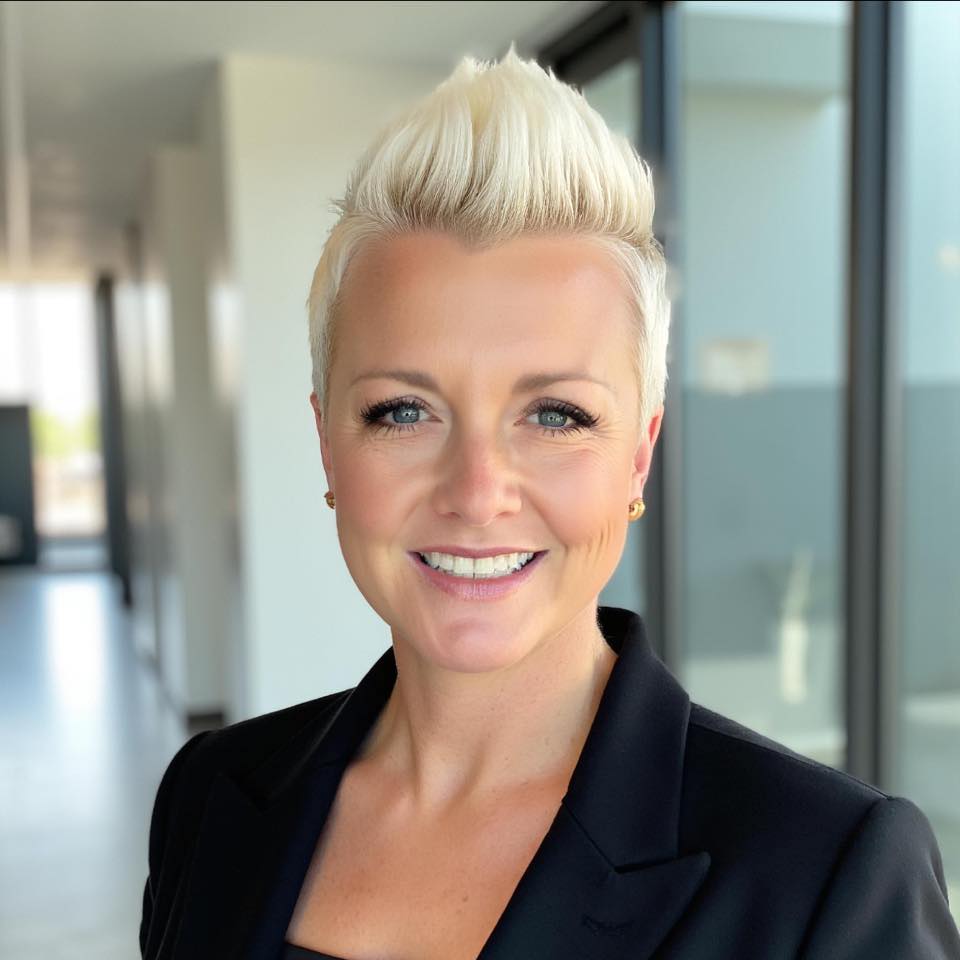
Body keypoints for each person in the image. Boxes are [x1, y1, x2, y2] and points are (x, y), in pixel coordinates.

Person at [139, 44, 960, 960]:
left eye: (556, 415)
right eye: (403, 411)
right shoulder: (206, 798)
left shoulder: (827, 876)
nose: (477, 493)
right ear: (329, 442)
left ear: (638, 456)